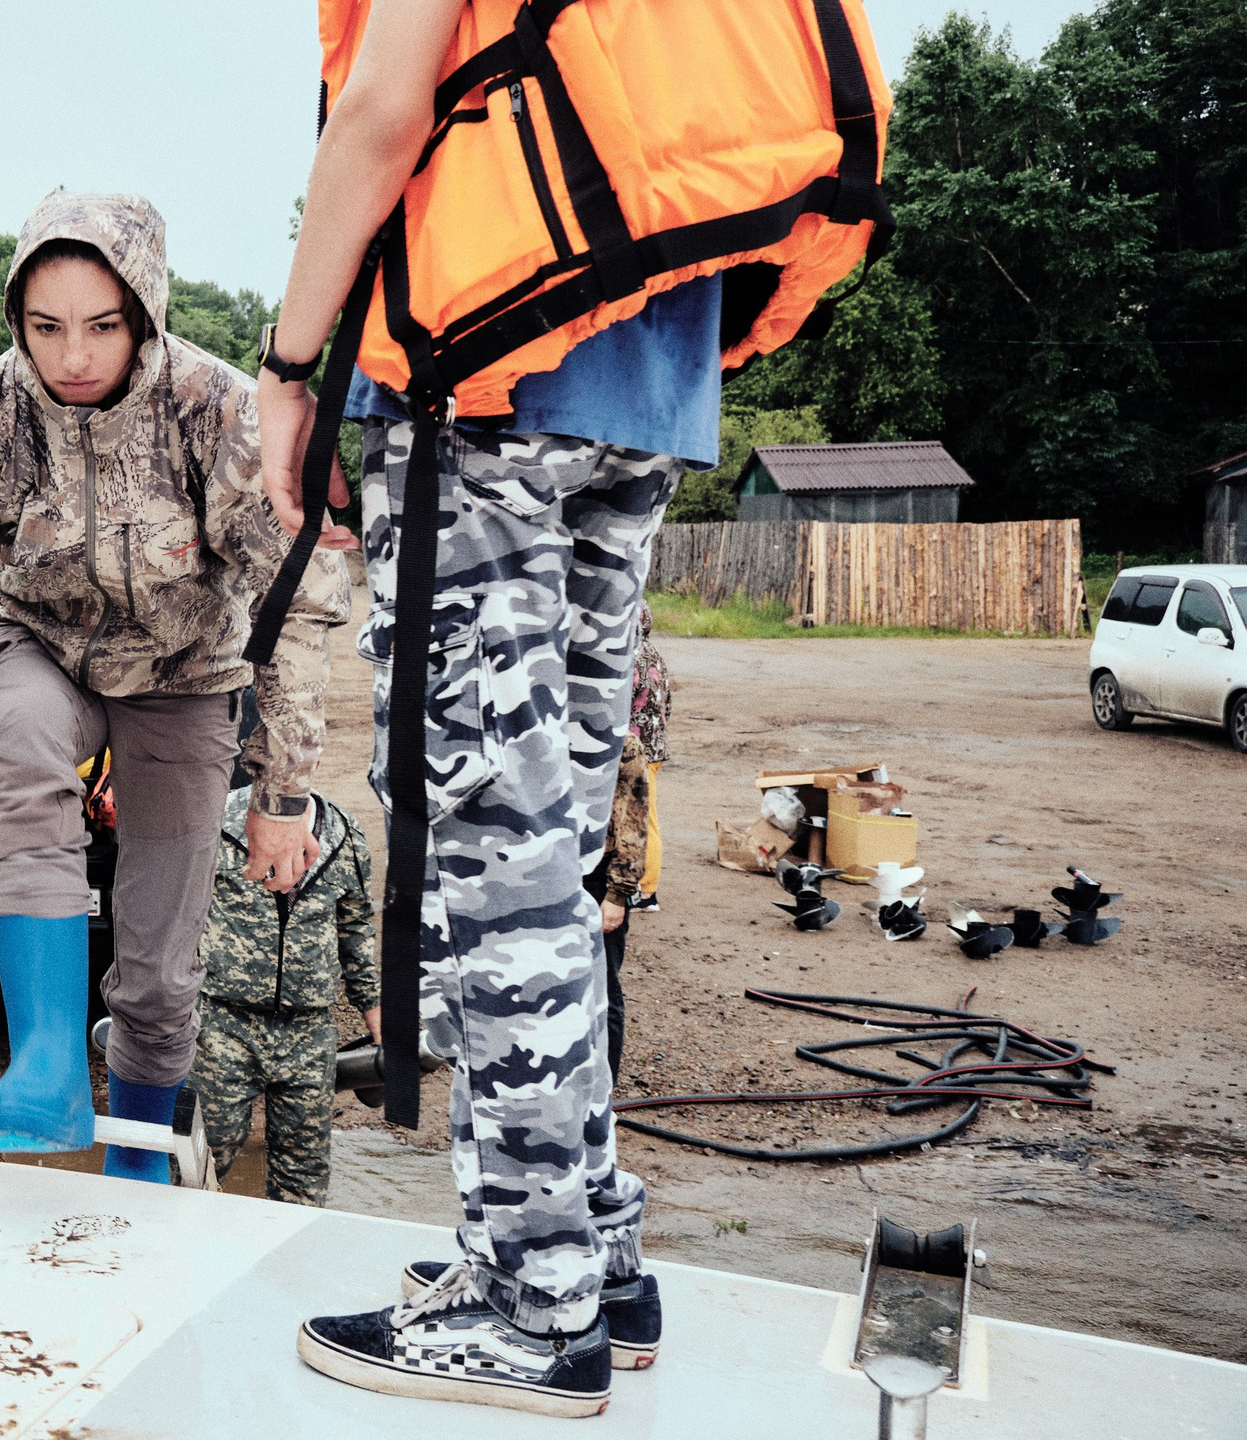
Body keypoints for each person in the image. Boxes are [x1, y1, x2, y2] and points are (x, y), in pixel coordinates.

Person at [256, 0, 885, 1411]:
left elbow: (384, 113)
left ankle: (537, 1309)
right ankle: (583, 1255)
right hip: (642, 395)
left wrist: (290, 371)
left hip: (486, 394)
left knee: (497, 863)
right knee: (552, 856)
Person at [0, 192, 348, 1181]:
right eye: (45, 328)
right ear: (16, 323)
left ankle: (137, 1158)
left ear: (145, 313)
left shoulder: (216, 414)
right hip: (41, 643)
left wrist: (283, 794)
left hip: (185, 677)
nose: (72, 356)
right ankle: (44, 1064)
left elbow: (302, 594)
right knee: (26, 741)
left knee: (164, 969)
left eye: (100, 326)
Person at [189, 786, 377, 1205]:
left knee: (304, 1173)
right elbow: (175, 912)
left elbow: (356, 929)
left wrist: (376, 1017)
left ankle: (292, 1266)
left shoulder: (344, 833)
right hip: (222, 1024)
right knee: (200, 1159)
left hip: (309, 1032)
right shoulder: (214, 819)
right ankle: (178, 1258)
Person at [584, 734, 651, 1080]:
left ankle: (603, 1089)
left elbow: (633, 820)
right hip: (550, 872)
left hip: (598, 876)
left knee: (603, 989)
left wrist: (617, 894)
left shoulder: (622, 742)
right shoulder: (538, 726)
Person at [629, 603, 670, 911]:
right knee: (647, 815)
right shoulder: (656, 655)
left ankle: (646, 892)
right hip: (654, 748)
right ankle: (644, 889)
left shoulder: (629, 657)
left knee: (641, 818)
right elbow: (668, 705)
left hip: (635, 750)